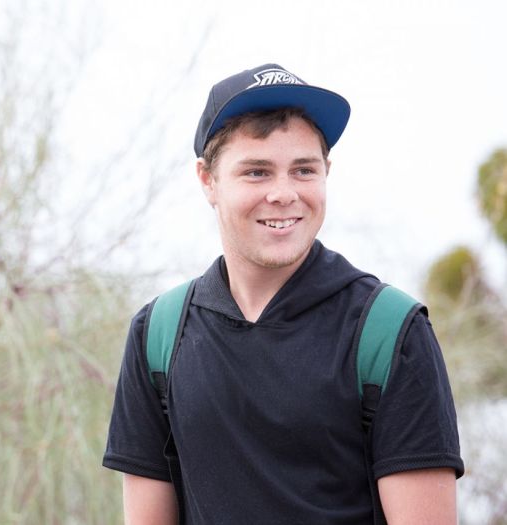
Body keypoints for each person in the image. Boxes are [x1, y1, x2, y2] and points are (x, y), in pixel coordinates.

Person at [102, 64, 464, 524]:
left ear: (326, 172)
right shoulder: (157, 335)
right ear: (207, 181)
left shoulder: (390, 332)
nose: (284, 193)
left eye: (304, 170)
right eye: (256, 172)